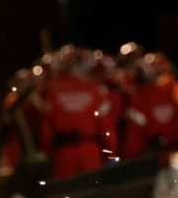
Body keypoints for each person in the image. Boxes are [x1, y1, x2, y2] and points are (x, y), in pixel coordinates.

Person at [36, 48, 121, 179]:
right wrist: (112, 154)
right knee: (90, 193)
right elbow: (106, 126)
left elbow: (46, 128)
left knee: (65, 194)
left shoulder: (52, 90)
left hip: (63, 155)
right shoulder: (97, 89)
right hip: (90, 152)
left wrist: (46, 153)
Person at [122, 52, 178, 160]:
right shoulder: (141, 95)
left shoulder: (176, 89)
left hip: (177, 151)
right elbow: (136, 127)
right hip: (150, 155)